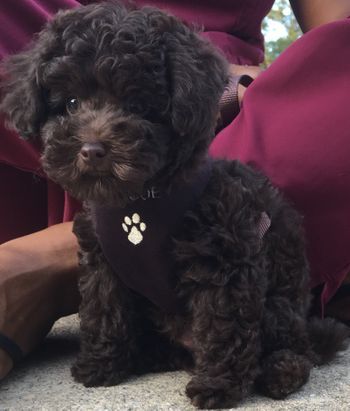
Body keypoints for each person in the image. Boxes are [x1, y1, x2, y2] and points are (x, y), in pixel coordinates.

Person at [1, 0, 350, 380]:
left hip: (214, 117)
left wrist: (282, 85)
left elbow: (336, 30)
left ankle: (62, 254)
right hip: (60, 137)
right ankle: (111, 236)